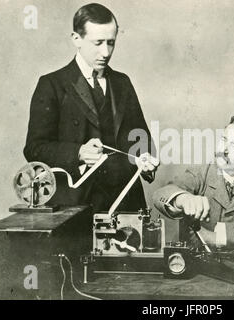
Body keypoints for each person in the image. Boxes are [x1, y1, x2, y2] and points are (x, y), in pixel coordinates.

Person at [24, 3, 158, 212]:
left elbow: (140, 137)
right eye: (98, 43)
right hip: (76, 206)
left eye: (111, 43)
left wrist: (146, 156)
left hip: (125, 202)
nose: (105, 52)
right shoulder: (52, 84)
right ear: (76, 39)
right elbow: (34, 148)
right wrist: (78, 152)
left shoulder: (123, 83)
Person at [153, 114, 234, 248]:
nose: (224, 150)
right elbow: (161, 194)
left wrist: (214, 237)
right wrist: (182, 199)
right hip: (198, 265)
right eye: (223, 139)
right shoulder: (198, 174)